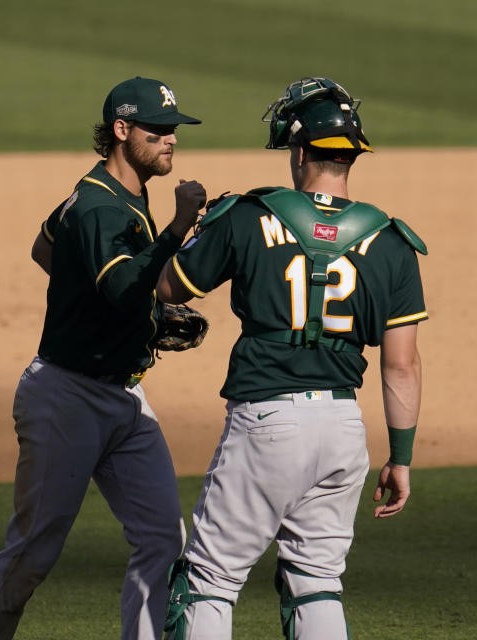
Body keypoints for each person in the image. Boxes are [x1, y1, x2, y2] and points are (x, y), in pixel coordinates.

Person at [156, 77, 426, 640]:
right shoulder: (393, 242)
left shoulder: (249, 214)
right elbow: (402, 365)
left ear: (300, 152)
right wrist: (399, 457)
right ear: (352, 154)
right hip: (343, 430)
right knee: (316, 581)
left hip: (268, 422)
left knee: (207, 579)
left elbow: (170, 288)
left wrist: (188, 226)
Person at [0, 77, 207, 640]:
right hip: (68, 399)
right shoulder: (97, 204)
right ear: (121, 130)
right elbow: (120, 287)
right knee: (32, 554)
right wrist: (175, 228)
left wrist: (104, 310)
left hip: (124, 396)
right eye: (157, 130)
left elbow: (46, 246)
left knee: (163, 539)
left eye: (173, 130)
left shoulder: (109, 191)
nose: (170, 139)